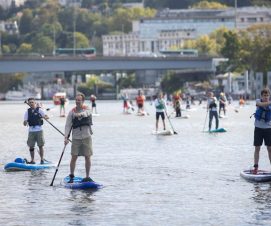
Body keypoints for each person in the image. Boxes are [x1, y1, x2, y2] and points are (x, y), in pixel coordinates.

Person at [64, 93, 93, 183]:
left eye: (79, 100)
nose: (77, 102)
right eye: (76, 100)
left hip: (86, 136)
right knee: (74, 157)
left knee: (87, 157)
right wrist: (66, 137)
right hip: (76, 137)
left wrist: (80, 114)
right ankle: (72, 175)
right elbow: (68, 125)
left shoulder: (87, 108)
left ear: (83, 101)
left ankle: (87, 176)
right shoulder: (72, 112)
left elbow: (87, 113)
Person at [251, 88, 271, 174]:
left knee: (270, 149)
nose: (266, 97)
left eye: (267, 95)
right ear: (261, 96)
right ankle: (256, 167)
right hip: (258, 129)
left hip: (268, 129)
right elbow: (260, 104)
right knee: (257, 148)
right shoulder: (258, 101)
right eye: (264, 95)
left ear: (269, 96)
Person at [23, 97, 49, 164]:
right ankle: (32, 160)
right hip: (31, 131)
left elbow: (47, 116)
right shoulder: (27, 112)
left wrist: (45, 117)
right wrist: (25, 122)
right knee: (31, 146)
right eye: (30, 102)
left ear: (35, 103)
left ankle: (42, 159)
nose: (31, 103)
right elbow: (24, 122)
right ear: (28, 103)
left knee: (40, 145)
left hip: (39, 130)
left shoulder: (39, 110)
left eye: (32, 102)